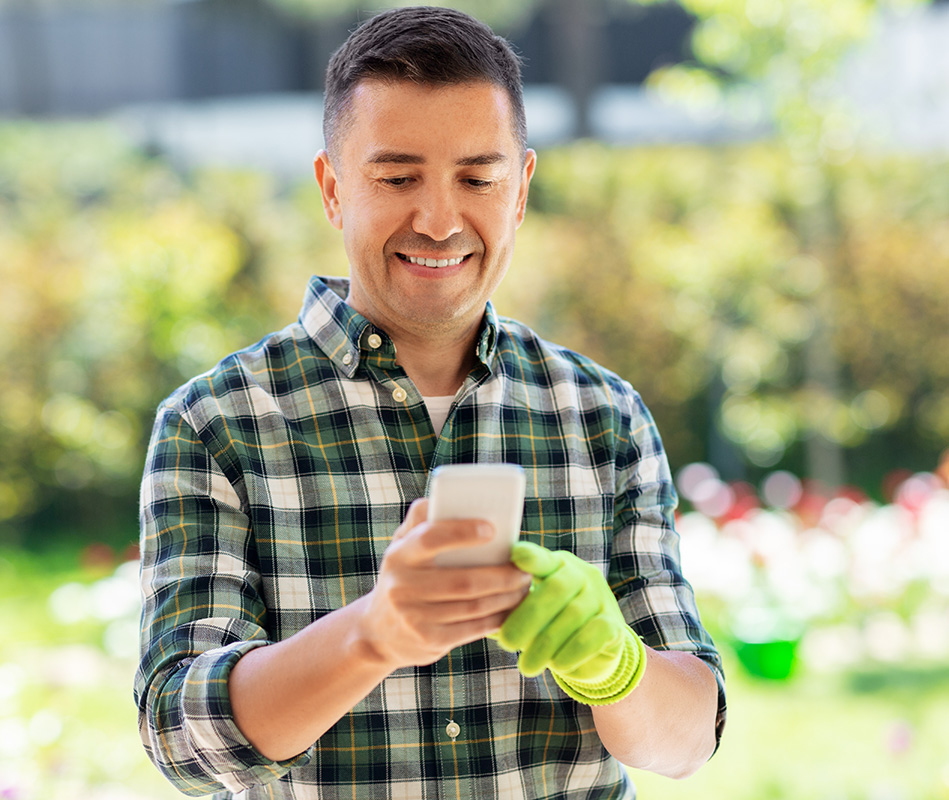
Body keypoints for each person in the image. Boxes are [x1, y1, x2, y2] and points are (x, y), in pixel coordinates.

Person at [134, 6, 726, 799]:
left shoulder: (603, 418)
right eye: (397, 177)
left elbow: (687, 738)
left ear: (519, 191)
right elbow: (182, 739)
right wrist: (371, 635)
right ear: (333, 188)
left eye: (478, 178)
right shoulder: (217, 425)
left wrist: (617, 665)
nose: (440, 220)